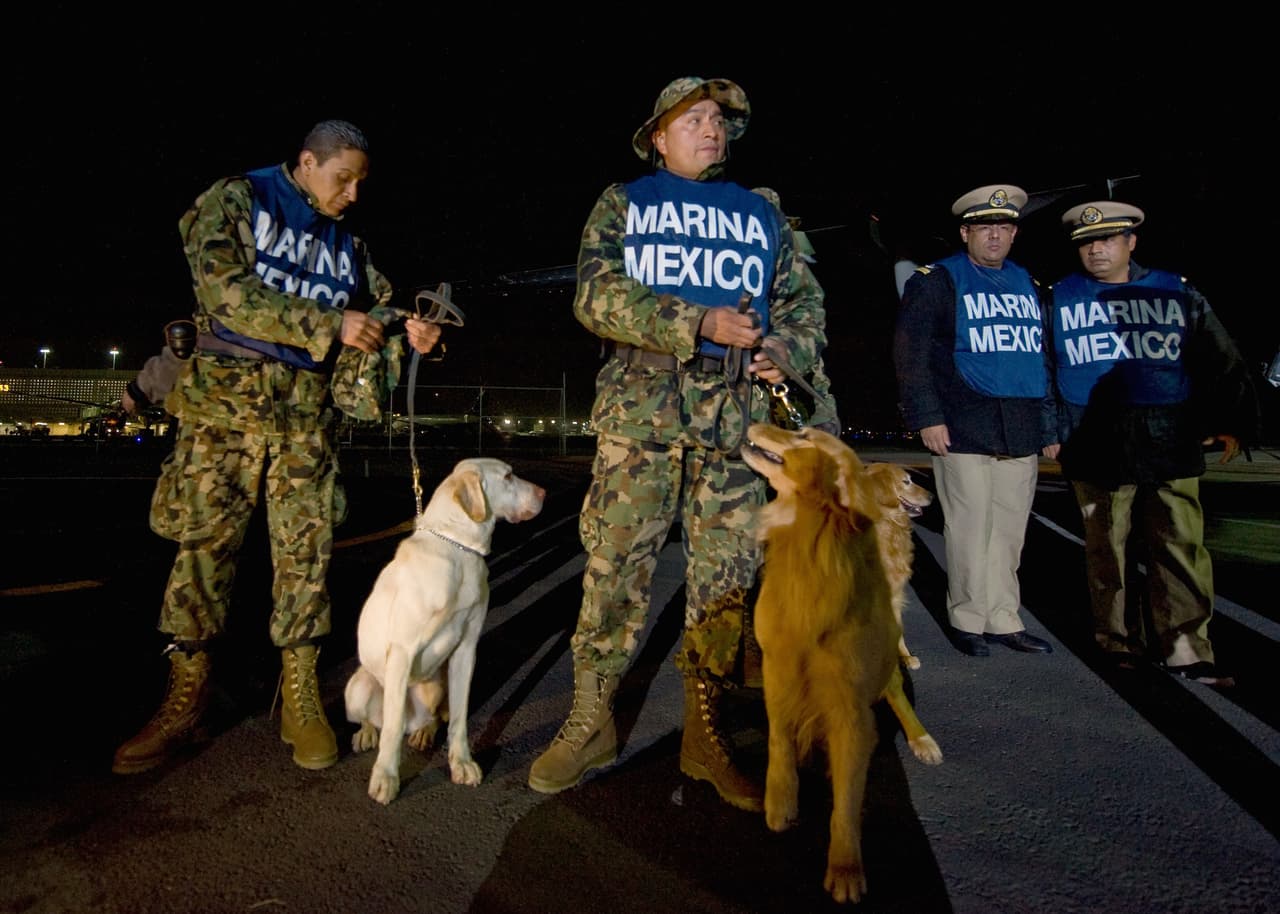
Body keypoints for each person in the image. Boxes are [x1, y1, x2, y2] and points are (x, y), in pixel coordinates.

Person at [527, 77, 829, 810]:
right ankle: (591, 719)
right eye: (693, 118)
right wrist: (696, 321)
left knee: (723, 582)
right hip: (641, 418)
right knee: (613, 569)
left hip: (735, 426)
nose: (712, 129)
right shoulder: (625, 203)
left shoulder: (764, 214)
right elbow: (593, 295)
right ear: (657, 137)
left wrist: (783, 348)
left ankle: (704, 732)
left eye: (721, 120)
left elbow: (805, 303)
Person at [112, 119, 443, 775]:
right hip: (224, 413)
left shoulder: (348, 245)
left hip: (304, 421)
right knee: (203, 550)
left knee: (306, 556)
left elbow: (375, 310)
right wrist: (330, 321)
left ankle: (298, 696)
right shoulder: (239, 199)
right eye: (341, 178)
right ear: (306, 162)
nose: (351, 195)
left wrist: (405, 332)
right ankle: (186, 697)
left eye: (360, 184)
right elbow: (224, 291)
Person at [1041, 201, 1259, 686]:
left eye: (1108, 240)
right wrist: (1051, 429)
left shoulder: (1174, 289)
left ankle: (1186, 647)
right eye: (1086, 242)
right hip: (1094, 439)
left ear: (1131, 242)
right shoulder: (1060, 297)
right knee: (1106, 548)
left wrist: (1232, 421)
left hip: (1168, 436)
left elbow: (1220, 356)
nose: (1096, 249)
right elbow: (1045, 369)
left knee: (1179, 545)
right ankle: (1117, 642)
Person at [892, 184, 1054, 658]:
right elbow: (911, 355)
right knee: (968, 528)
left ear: (1014, 233)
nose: (995, 237)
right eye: (985, 228)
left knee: (1008, 533)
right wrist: (926, 416)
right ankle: (967, 618)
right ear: (965, 233)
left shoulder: (1029, 283)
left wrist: (1048, 429)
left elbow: (1041, 360)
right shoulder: (937, 280)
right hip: (962, 424)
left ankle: (1004, 618)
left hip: (1020, 426)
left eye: (1003, 228)